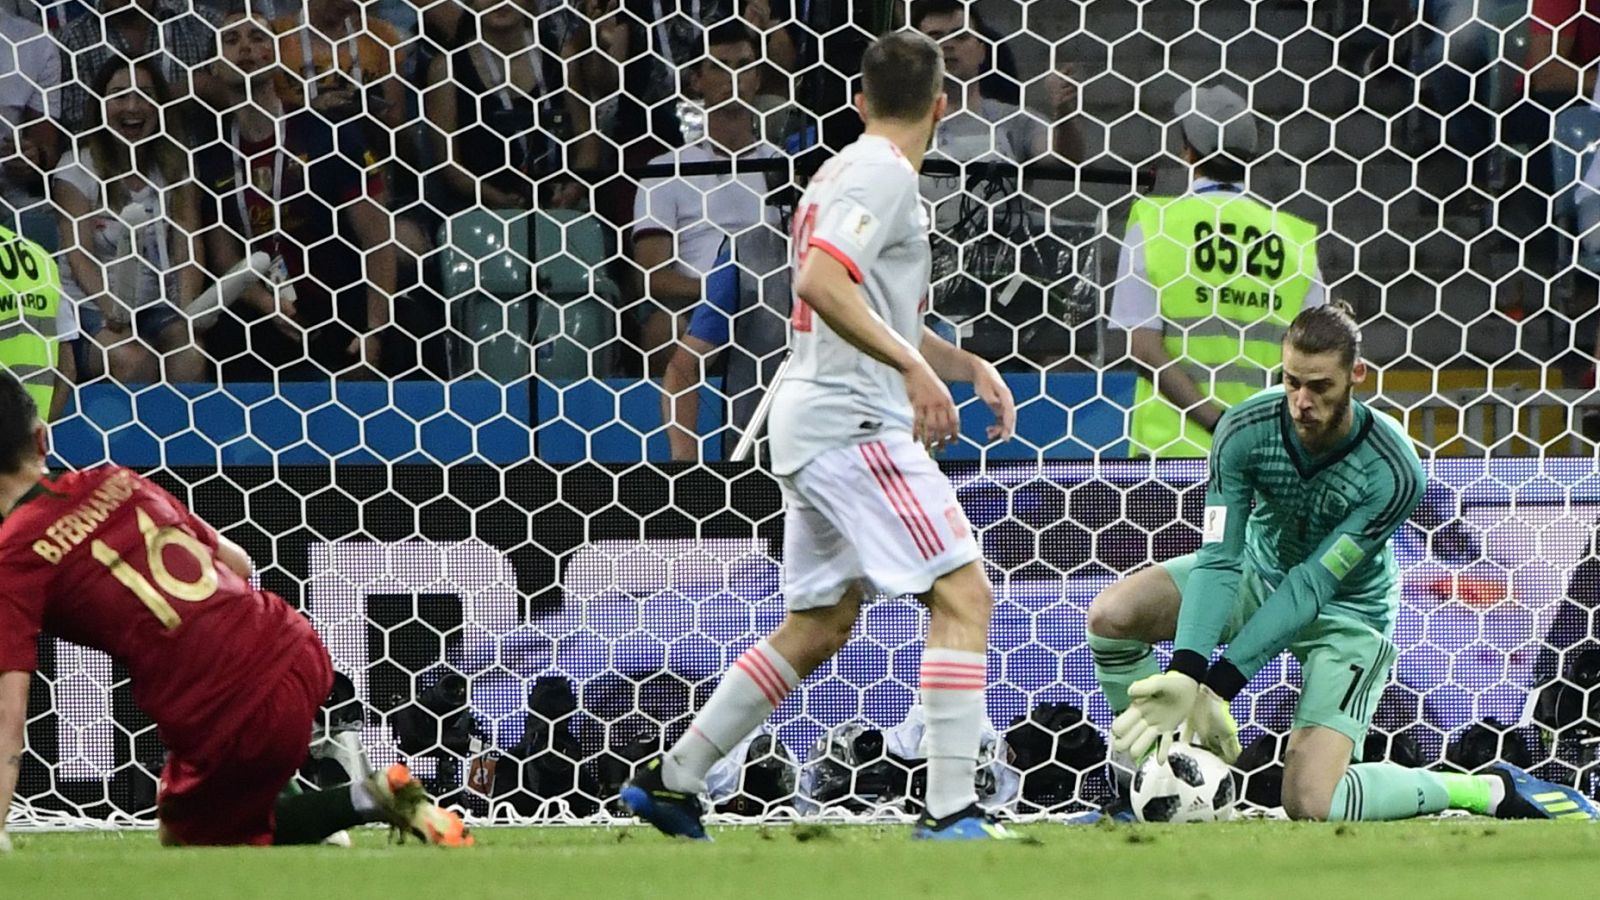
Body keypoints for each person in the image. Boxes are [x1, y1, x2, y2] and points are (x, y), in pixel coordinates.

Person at [621, 29, 1020, 841]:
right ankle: (950, 809)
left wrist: (962, 359)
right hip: (854, 420)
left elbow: (866, 300)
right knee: (964, 594)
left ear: (859, 99)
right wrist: (914, 370)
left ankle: (675, 781)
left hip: (814, 416)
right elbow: (819, 280)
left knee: (821, 622)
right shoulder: (881, 172)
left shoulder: (838, 170)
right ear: (943, 106)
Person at [1089, 304, 1599, 823]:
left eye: (1319, 387)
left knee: (1312, 802)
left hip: (1346, 614)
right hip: (1257, 575)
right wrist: (1185, 670)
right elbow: (1220, 558)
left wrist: (1217, 685)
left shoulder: (1393, 470)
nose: (1301, 402)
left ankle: (1480, 790)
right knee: (1112, 616)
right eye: (1291, 383)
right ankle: (1153, 778)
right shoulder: (1244, 430)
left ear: (1357, 375)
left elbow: (1313, 585)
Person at [0, 370, 470, 849]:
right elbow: (239, 563)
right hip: (294, 644)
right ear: (42, 438)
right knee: (227, 788)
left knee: (188, 834)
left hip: (228, 705)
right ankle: (304, 797)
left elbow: (8, 713)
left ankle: (368, 797)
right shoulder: (116, 480)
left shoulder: (14, 556)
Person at [1112, 84, 1323, 458]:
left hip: (1169, 459)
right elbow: (1315, 361)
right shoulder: (1295, 240)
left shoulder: (1155, 224)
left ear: (1188, 152)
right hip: (1263, 457)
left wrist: (1218, 423)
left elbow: (1144, 350)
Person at [194, 9, 397, 377]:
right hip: (270, 316)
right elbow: (225, 260)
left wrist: (374, 330)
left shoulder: (327, 134)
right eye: (232, 40)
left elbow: (378, 241)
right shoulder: (211, 158)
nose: (246, 48)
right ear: (213, 68)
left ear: (276, 56)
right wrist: (267, 304)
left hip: (343, 307)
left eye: (257, 38)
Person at [634, 21, 782, 458]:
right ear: (696, 79)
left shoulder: (785, 166)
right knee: (663, 327)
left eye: (744, 66)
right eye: (720, 67)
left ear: (758, 77)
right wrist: (727, 292)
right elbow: (652, 277)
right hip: (700, 305)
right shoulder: (667, 168)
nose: (733, 78)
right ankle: (682, 456)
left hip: (776, 300)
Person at [55, 59, 207, 383]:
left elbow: (188, 247)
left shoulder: (176, 168)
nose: (133, 106)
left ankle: (184, 433)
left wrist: (188, 310)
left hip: (155, 305)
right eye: (119, 95)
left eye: (144, 94)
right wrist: (113, 309)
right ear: (100, 106)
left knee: (190, 352)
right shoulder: (74, 170)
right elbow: (79, 256)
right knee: (134, 359)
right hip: (92, 308)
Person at [54, 0, 222, 138]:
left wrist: (209, 88)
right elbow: (79, 132)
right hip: (108, 172)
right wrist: (164, 96)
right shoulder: (73, 40)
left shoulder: (204, 24)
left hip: (198, 169)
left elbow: (242, 100)